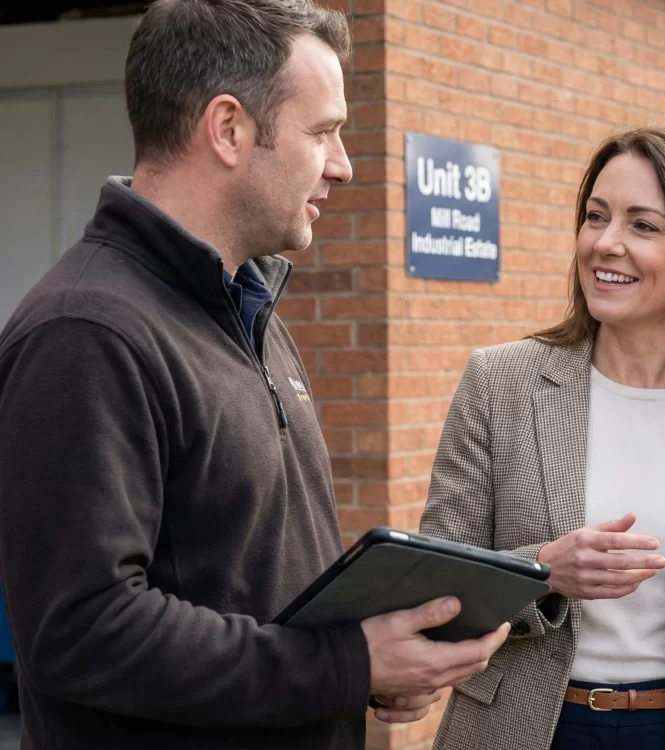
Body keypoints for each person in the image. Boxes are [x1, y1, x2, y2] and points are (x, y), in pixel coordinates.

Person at [0, 1, 507, 748]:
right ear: (229, 129)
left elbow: (243, 581)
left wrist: (370, 662)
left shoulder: (247, 306)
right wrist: (343, 663)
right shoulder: (87, 333)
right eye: (324, 132)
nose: (344, 164)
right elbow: (83, 630)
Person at [418, 126, 665, 750]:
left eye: (643, 226)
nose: (605, 244)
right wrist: (539, 572)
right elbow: (435, 587)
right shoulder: (501, 382)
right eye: (595, 217)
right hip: (520, 729)